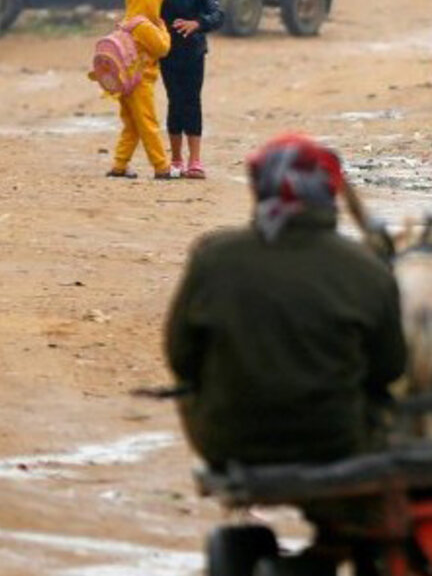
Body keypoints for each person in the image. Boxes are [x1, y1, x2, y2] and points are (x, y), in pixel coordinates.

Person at [164, 134, 408, 468]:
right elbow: (390, 366)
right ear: (328, 191)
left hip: (229, 441)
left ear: (259, 187)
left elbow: (181, 357)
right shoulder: (366, 268)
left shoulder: (213, 258)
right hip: (338, 441)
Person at [158, 0, 225, 180]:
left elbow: (218, 15)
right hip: (167, 56)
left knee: (192, 102)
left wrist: (197, 23)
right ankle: (176, 159)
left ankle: (195, 160)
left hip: (194, 54)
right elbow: (141, 13)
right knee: (175, 102)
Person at [106, 0, 176, 179]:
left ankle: (119, 165)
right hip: (140, 83)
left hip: (124, 82)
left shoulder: (126, 23)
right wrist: (163, 28)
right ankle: (161, 167)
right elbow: (163, 48)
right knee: (148, 123)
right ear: (149, 2)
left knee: (132, 125)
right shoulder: (144, 26)